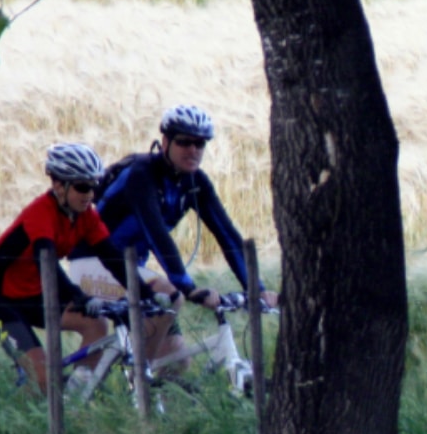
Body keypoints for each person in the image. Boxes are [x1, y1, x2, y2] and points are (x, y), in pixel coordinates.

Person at [68, 104, 277, 374]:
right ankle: (139, 380)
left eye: (200, 144)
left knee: (176, 363)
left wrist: (256, 288)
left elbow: (228, 235)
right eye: (184, 142)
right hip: (92, 264)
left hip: (131, 270)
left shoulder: (194, 181)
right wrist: (187, 288)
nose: (193, 150)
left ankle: (147, 407)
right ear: (165, 141)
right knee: (170, 295)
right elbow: (156, 234)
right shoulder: (141, 174)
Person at [0, 143, 136, 394]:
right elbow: (46, 262)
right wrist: (76, 294)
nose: (90, 194)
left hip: (35, 295)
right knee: (44, 378)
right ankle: (27, 418)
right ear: (59, 185)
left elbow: (111, 257)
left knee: (97, 325)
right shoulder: (40, 213)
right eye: (82, 187)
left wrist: (144, 292)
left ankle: (74, 399)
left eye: (94, 186)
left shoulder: (85, 215)